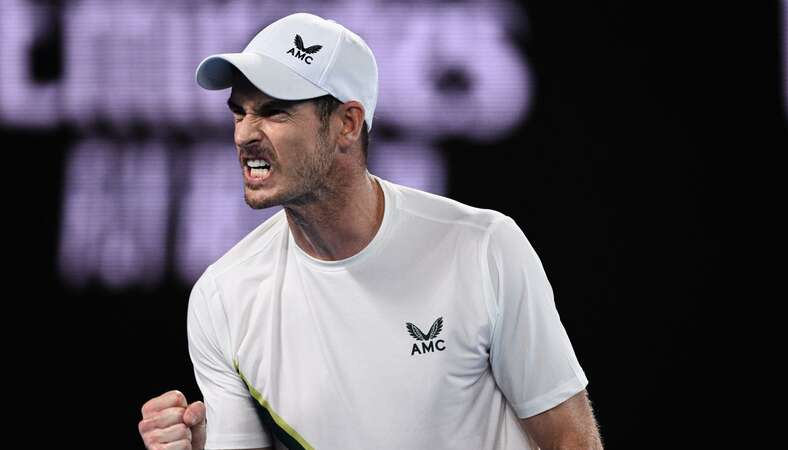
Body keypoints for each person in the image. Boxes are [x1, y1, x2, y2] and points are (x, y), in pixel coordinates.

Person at [138, 12, 603, 450]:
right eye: (239, 113)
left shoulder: (484, 248)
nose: (244, 134)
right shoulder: (222, 298)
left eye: (275, 112)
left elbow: (569, 441)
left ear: (347, 124)